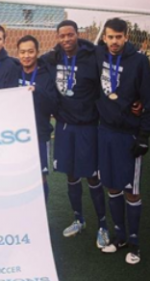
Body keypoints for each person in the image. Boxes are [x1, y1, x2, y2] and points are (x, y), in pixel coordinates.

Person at [42, 20, 109, 248]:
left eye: (70, 35)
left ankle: (103, 225)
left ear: (77, 35)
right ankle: (78, 219)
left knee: (92, 175)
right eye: (62, 36)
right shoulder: (52, 58)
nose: (66, 39)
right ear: (57, 37)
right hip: (63, 126)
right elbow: (26, 63)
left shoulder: (94, 55)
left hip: (88, 125)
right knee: (71, 174)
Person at [96, 18, 150, 264]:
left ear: (126, 36)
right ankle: (119, 236)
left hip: (129, 134)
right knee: (113, 186)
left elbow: (147, 101)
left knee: (132, 190)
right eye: (110, 37)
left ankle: (135, 242)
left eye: (119, 36)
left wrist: (143, 136)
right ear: (104, 37)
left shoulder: (139, 61)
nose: (114, 41)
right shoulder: (98, 55)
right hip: (105, 131)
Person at [17, 35, 55, 202]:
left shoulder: (46, 74)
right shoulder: (13, 71)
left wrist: (37, 90)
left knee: (40, 177)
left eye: (30, 52)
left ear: (37, 52)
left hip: (40, 133)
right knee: (18, 176)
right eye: (23, 52)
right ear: (18, 54)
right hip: (17, 135)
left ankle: (42, 218)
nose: (26, 56)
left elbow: (53, 104)